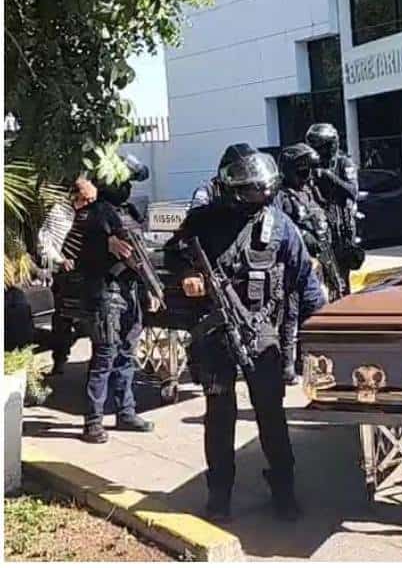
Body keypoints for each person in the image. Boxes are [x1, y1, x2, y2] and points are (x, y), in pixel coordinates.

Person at [165, 147, 325, 522]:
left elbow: (306, 280)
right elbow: (172, 257)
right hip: (215, 334)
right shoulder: (203, 220)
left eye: (260, 194)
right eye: (249, 194)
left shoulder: (280, 224)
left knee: (271, 415)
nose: (255, 202)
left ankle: (283, 490)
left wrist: (322, 330)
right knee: (219, 416)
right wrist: (187, 277)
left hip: (261, 330)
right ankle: (219, 494)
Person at [74, 156, 159, 443]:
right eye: (121, 181)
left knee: (126, 355)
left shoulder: (130, 212)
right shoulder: (94, 214)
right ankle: (93, 421)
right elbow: (79, 253)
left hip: (131, 290)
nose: (126, 187)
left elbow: (141, 256)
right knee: (104, 356)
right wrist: (105, 244)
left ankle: (126, 412)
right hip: (106, 290)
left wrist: (150, 290)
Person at [277, 143, 337, 385]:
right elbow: (281, 231)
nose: (308, 177)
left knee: (317, 309)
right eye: (302, 172)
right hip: (295, 266)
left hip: (319, 262)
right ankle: (286, 364)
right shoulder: (281, 197)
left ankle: (308, 358)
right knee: (290, 313)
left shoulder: (310, 191)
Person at [38, 176, 98, 375]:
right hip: (64, 275)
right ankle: (59, 360)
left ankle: (96, 366)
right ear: (75, 196)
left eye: (91, 200)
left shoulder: (95, 213)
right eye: (85, 199)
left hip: (89, 274)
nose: (88, 203)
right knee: (62, 320)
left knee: (93, 322)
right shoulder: (59, 212)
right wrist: (60, 260)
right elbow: (44, 242)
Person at [305, 123, 362, 291]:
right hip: (320, 225)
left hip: (341, 227)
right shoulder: (311, 167)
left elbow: (352, 191)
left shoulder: (344, 163)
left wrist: (329, 176)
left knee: (341, 277)